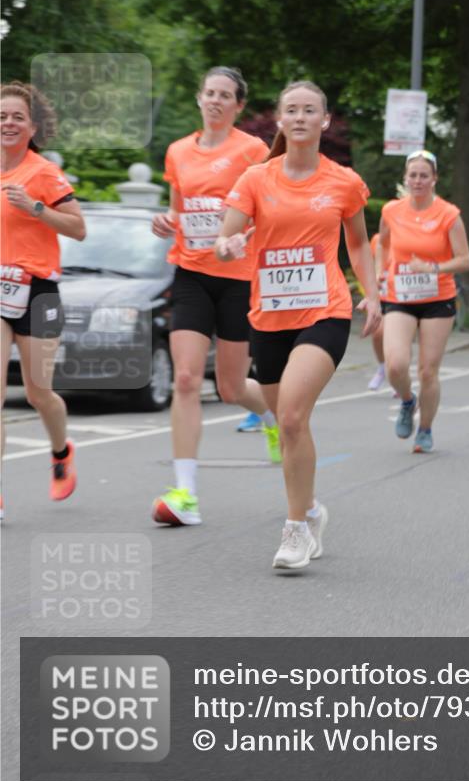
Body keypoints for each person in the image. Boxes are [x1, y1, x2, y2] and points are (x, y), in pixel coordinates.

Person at [215, 80, 381, 570]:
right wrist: (229, 246)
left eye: (311, 110)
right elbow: (225, 239)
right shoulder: (255, 179)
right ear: (280, 120)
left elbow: (358, 243)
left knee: (289, 417)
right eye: (292, 110)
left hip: (325, 310)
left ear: (324, 120)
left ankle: (295, 532)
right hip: (269, 316)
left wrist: (372, 294)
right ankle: (310, 510)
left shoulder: (343, 182)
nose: (301, 117)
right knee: (290, 425)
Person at [150, 67, 278, 528]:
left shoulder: (253, 150)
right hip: (190, 273)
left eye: (226, 95)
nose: (216, 101)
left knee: (230, 388)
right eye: (210, 93)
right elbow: (177, 208)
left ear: (238, 106)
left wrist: (245, 235)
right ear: (199, 98)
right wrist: (165, 221)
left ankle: (271, 417)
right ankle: (185, 492)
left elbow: (270, 208)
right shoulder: (178, 151)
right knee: (186, 378)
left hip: (239, 278)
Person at [0, 82, 86, 518]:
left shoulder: (44, 173)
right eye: (2, 117)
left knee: (39, 393)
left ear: (33, 127)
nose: (8, 123)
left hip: (37, 292)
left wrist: (35, 207)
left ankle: (60, 451)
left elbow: (78, 228)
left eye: (18, 117)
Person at [377, 149, 469, 452]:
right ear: (405, 178)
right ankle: (408, 401)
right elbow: (382, 243)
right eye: (413, 175)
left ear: (434, 179)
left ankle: (426, 429)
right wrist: (380, 271)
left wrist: (433, 268)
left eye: (423, 176)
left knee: (428, 371)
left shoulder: (448, 214)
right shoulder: (391, 210)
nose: (417, 181)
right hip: (400, 296)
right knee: (395, 364)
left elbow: (465, 260)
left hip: (437, 298)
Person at [366, 232, 389, 390]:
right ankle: (382, 368)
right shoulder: (377, 240)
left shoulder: (411, 235)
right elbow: (370, 265)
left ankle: (400, 374)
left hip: (403, 297)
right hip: (383, 294)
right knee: (377, 334)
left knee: (400, 337)